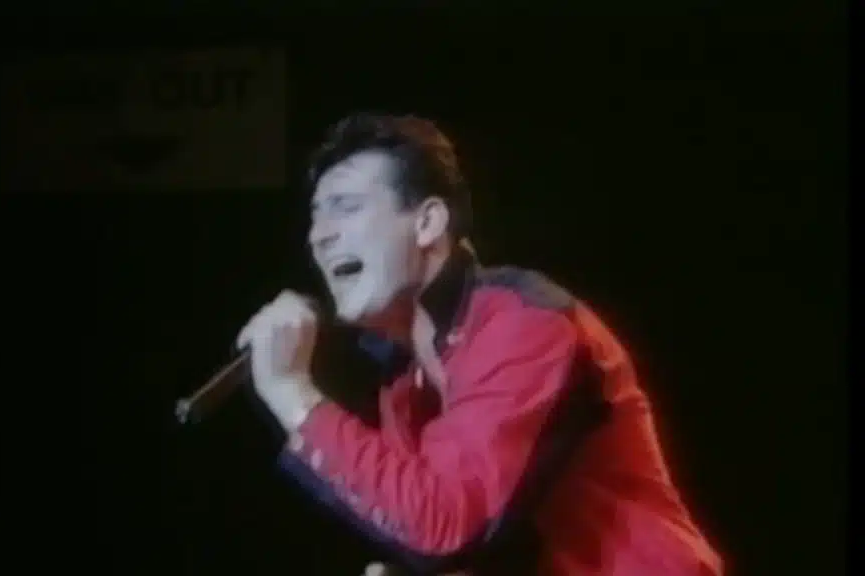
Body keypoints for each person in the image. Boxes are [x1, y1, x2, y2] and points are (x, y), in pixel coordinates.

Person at [235, 113, 723, 575]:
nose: (319, 236)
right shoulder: (405, 377)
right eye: (316, 216)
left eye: (346, 207)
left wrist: (291, 390)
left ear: (428, 223)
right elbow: (450, 529)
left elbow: (445, 524)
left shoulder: (523, 322)